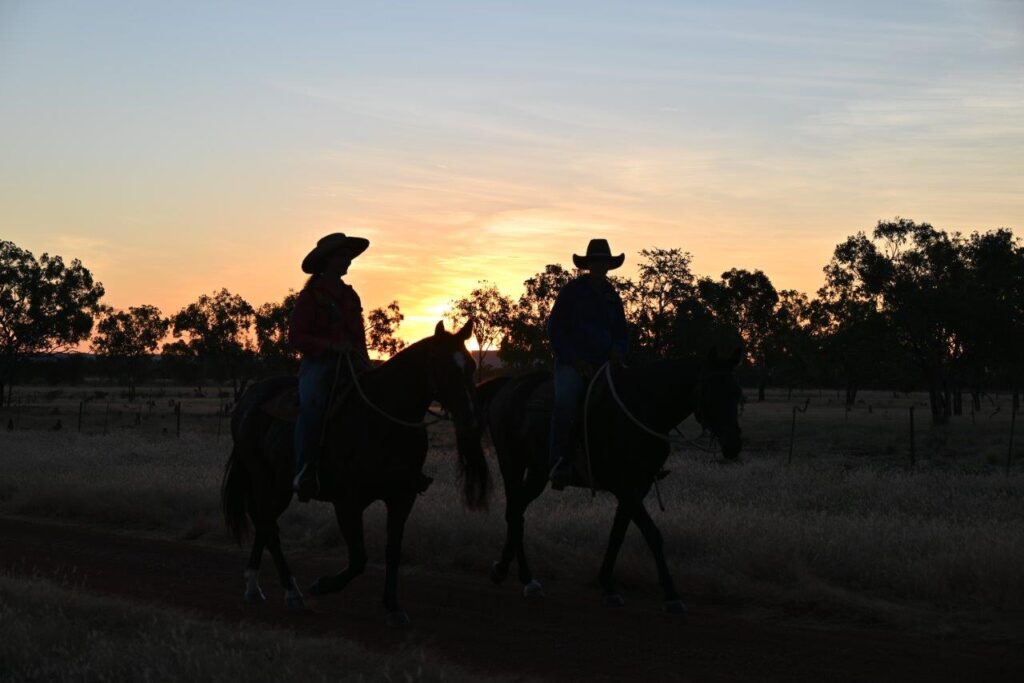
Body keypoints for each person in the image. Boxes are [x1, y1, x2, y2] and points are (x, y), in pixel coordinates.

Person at [289, 232, 372, 501]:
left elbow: (359, 336)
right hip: (319, 365)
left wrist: (365, 362)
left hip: (353, 363)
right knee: (311, 405)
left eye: (349, 255)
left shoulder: (350, 296)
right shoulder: (311, 297)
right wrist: (329, 346)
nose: (348, 260)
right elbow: (296, 337)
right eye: (343, 256)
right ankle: (305, 469)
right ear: (329, 261)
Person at [546, 238, 629, 490]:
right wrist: (575, 360)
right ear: (588, 264)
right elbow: (555, 329)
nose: (600, 266)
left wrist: (618, 348)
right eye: (596, 261)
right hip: (573, 364)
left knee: (630, 400)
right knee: (565, 402)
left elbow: (622, 331)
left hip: (605, 364)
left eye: (604, 262)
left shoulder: (612, 296)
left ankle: (628, 460)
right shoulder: (572, 292)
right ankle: (559, 461)